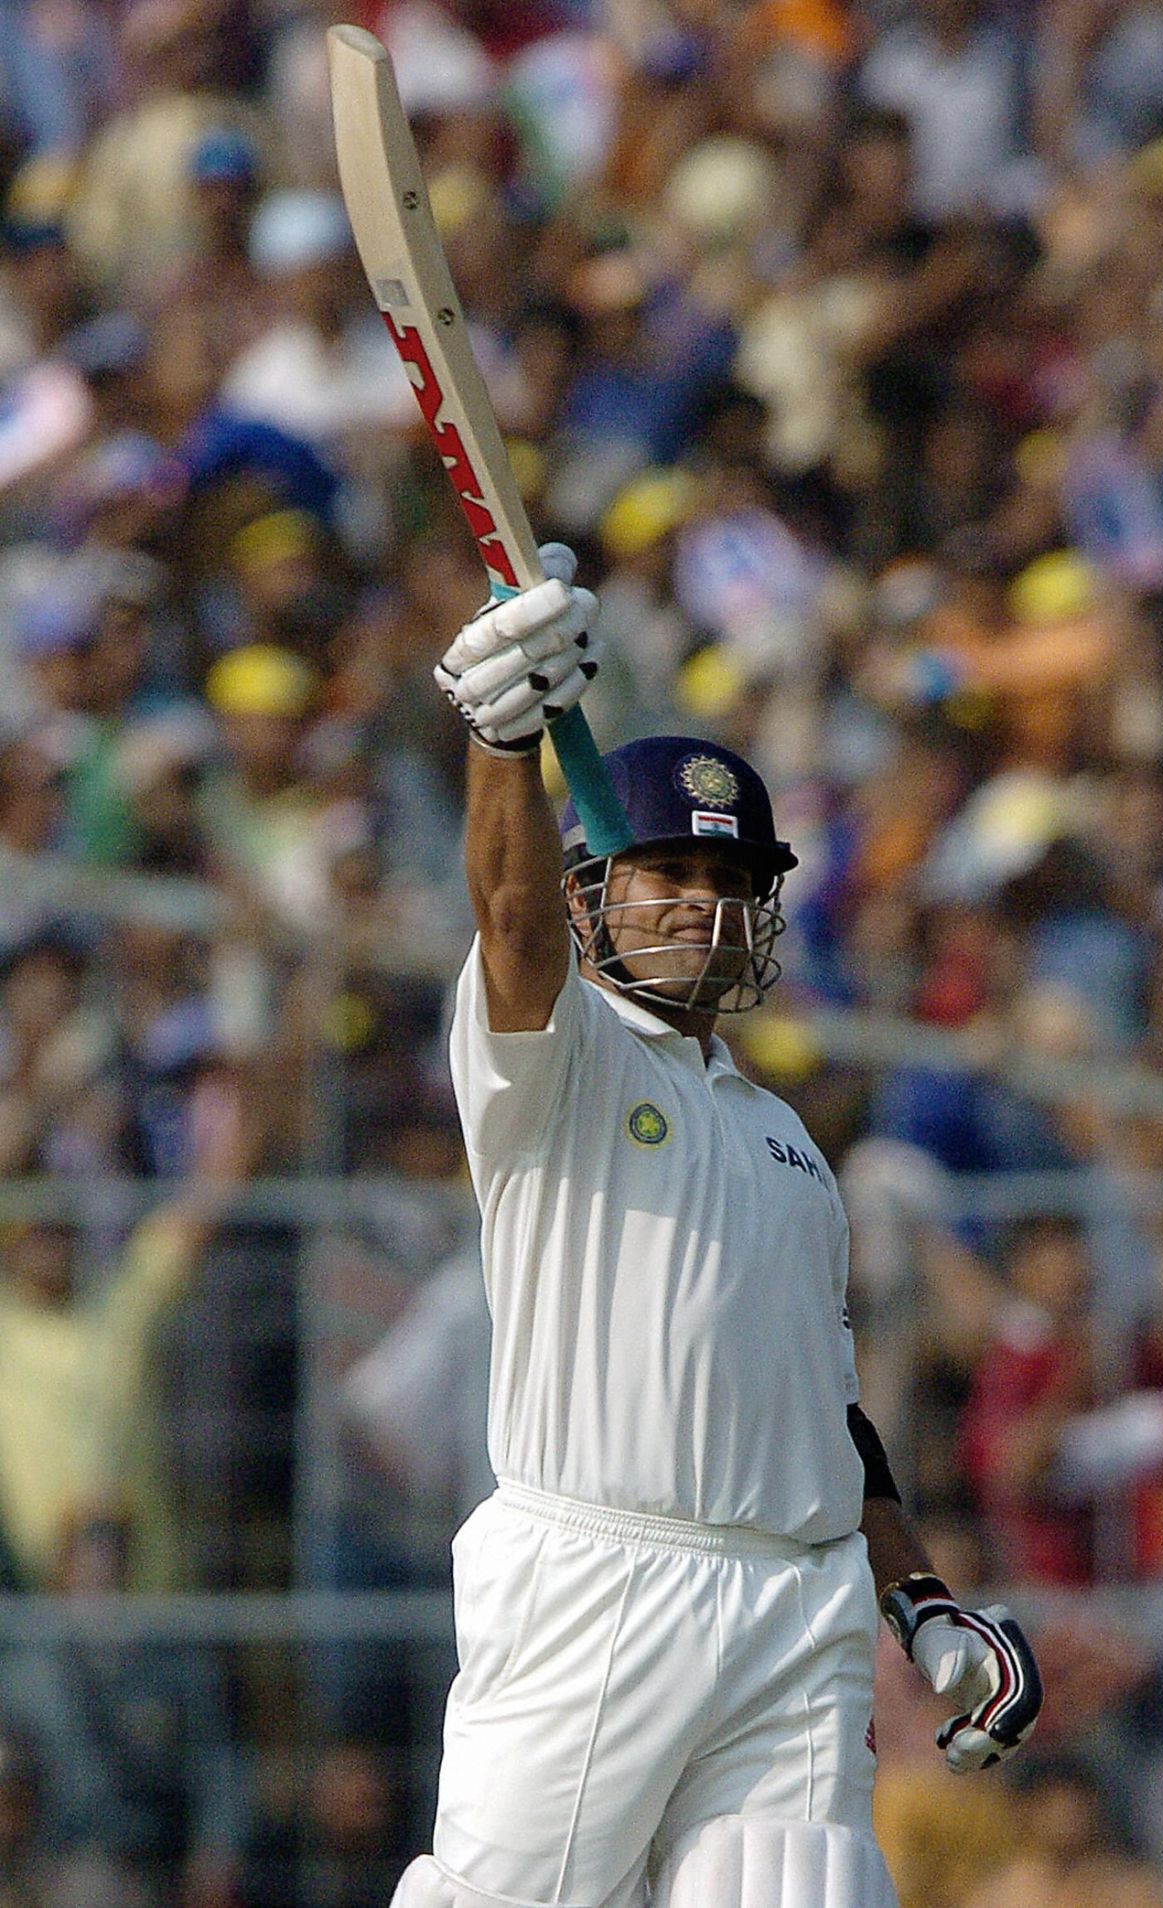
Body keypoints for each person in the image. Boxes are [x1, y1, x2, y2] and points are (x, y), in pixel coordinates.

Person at [386, 544, 1043, 1908]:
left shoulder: (791, 1141)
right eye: (663, 870)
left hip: (791, 1612)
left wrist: (918, 1597)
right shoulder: (555, 1063)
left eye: (728, 878)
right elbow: (507, 920)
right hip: (594, 1583)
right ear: (595, 891)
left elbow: (828, 1412)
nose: (699, 901)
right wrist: (504, 739)